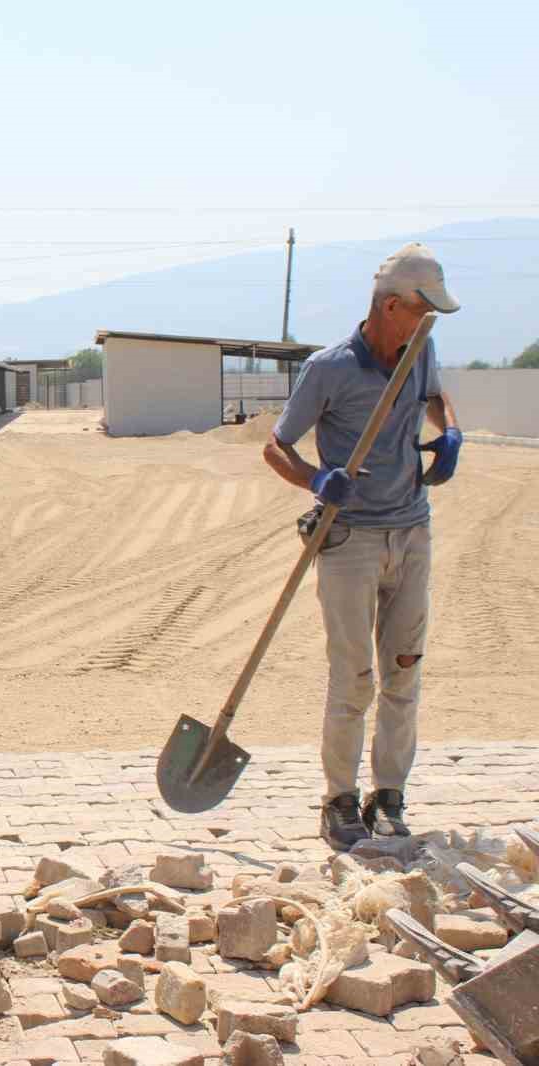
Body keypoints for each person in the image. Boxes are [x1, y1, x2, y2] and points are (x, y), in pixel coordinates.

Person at [263, 243, 462, 851]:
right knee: (353, 678)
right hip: (349, 539)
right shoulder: (329, 368)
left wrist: (449, 430)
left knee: (404, 670)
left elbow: (434, 395)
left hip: (412, 531)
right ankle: (340, 800)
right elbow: (276, 446)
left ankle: (389, 796)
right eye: (422, 310)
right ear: (391, 305)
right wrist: (317, 480)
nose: (429, 321)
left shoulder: (420, 348)